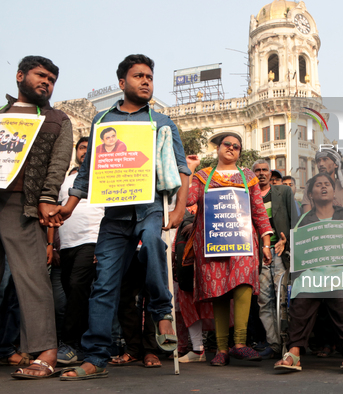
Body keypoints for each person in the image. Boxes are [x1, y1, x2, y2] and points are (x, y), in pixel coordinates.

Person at [58, 54, 192, 379]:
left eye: (149, 76)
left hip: (149, 209)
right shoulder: (102, 121)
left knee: (151, 242)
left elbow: (183, 170)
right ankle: (96, 357)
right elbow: (87, 172)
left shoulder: (162, 122)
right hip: (114, 217)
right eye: (138, 76)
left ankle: (162, 313)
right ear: (122, 83)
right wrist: (68, 207)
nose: (146, 81)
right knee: (104, 285)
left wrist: (178, 209)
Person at [0, 56, 73, 378]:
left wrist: (46, 198)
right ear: (20, 76)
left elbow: (58, 163)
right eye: (40, 75)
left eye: (52, 79)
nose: (46, 82)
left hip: (22, 204)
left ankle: (46, 351)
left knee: (32, 279)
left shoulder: (57, 119)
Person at [274, 173, 343, 372]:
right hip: (313, 272)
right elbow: (296, 244)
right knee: (301, 299)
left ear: (334, 192)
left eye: (327, 184)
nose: (323, 187)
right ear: (310, 194)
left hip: (340, 271)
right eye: (318, 185)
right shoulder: (303, 221)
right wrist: (286, 242)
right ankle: (294, 352)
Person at [185, 132, 273, 367]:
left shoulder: (248, 177)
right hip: (213, 242)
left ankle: (240, 343)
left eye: (237, 146)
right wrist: (189, 170)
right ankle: (222, 349)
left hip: (243, 243)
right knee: (218, 291)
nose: (232, 148)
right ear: (218, 148)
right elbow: (188, 199)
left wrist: (266, 242)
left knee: (244, 282)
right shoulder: (203, 176)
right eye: (227, 144)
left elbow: (259, 211)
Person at [56, 137, 104, 365]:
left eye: (89, 148)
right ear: (76, 152)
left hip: (92, 241)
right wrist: (50, 245)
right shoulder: (65, 181)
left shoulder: (104, 178)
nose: (85, 151)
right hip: (66, 245)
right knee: (73, 293)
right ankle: (84, 345)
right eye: (82, 147)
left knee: (77, 286)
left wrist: (103, 245)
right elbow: (55, 211)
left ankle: (70, 343)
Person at [252, 159, 296, 358]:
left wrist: (288, 241)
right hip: (258, 254)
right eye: (258, 170)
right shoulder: (248, 196)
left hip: (280, 252)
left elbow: (294, 220)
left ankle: (288, 340)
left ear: (270, 174)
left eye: (264, 170)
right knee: (264, 300)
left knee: (282, 298)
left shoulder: (284, 192)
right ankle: (274, 344)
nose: (261, 173)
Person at [301, 149, 343, 214]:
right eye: (318, 161)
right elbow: (306, 218)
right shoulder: (310, 186)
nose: (321, 164)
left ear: (336, 164)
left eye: (325, 159)